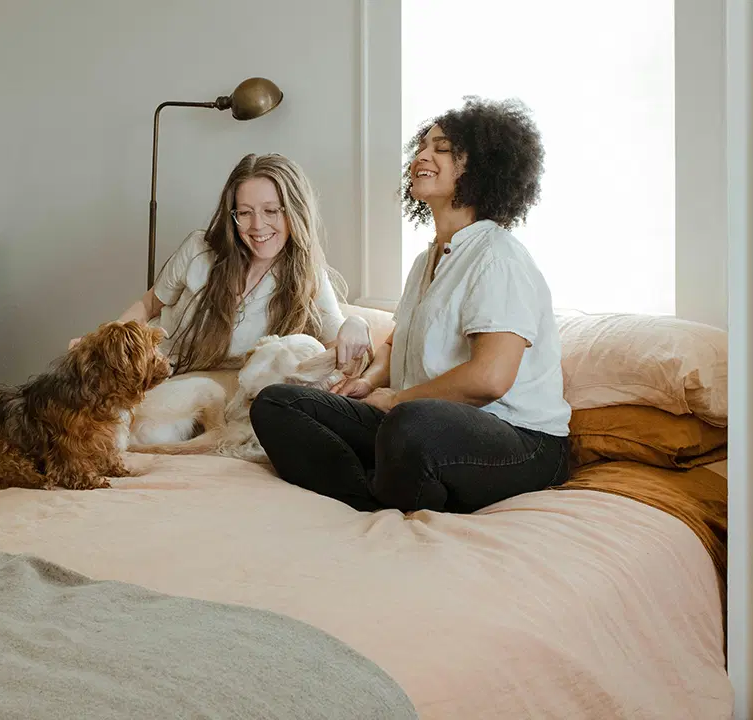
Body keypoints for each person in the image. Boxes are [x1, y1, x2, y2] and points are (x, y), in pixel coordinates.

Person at [249, 96, 572, 514]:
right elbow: (397, 340)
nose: (422, 155)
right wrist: (368, 382)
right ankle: (377, 494)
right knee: (277, 404)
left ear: (482, 167)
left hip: (521, 441)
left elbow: (490, 378)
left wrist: (398, 400)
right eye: (422, 146)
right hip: (417, 422)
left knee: (408, 426)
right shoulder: (428, 260)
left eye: (442, 148)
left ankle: (388, 483)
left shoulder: (497, 257)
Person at [72, 153, 373, 373]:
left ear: (294, 212)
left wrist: (358, 324)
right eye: (244, 212)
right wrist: (100, 341)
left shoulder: (308, 277)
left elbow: (338, 342)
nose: (257, 225)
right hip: (151, 371)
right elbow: (150, 304)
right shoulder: (199, 249)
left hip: (211, 393)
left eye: (271, 211)